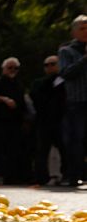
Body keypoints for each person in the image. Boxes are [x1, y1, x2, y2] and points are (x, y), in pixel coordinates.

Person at [0, 57, 26, 184]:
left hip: (14, 122)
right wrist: (3, 99)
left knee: (13, 151)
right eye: (9, 67)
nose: (12, 70)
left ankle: (11, 177)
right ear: (3, 68)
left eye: (15, 68)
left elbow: (22, 104)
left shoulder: (19, 84)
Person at [59, 15, 87, 186]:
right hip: (77, 102)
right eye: (82, 28)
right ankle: (74, 175)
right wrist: (84, 59)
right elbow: (65, 73)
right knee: (76, 139)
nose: (86, 32)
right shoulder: (66, 51)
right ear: (74, 32)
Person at [30, 55, 66, 185]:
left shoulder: (65, 80)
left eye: (53, 64)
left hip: (61, 119)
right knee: (42, 150)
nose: (50, 67)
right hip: (44, 120)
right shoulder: (39, 82)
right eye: (47, 65)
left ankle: (65, 175)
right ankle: (41, 177)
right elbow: (36, 97)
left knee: (64, 148)